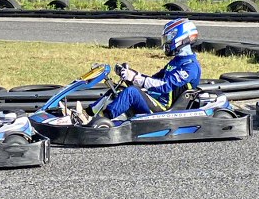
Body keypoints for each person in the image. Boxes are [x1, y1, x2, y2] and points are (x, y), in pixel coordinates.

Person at [71, 18, 202, 124]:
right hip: (157, 100)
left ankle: (99, 120)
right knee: (117, 89)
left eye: (169, 38)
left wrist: (135, 78)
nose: (166, 42)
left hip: (165, 109)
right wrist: (131, 75)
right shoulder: (177, 61)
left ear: (182, 38)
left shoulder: (190, 66)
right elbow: (154, 79)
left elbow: (164, 86)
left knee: (132, 92)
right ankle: (87, 113)